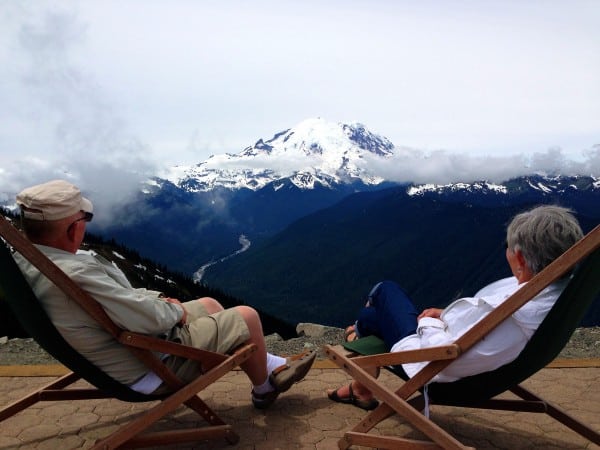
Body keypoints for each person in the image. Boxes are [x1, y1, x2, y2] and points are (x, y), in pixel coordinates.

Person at [13, 179, 315, 409]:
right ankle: (264, 389)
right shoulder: (76, 273)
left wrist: (159, 302)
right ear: (72, 229)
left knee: (210, 303)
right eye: (84, 221)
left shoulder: (31, 262)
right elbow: (145, 320)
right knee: (247, 317)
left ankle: (271, 364)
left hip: (124, 351)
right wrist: (174, 311)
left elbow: (119, 303)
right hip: (147, 366)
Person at [327, 205, 583, 410]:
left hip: (430, 363)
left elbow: (446, 356)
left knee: (384, 291)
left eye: (507, 247)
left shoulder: (516, 312)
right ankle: (360, 353)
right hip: (457, 355)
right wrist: (445, 314)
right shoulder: (554, 296)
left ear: (520, 258)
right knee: (375, 316)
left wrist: (430, 323)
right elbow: (477, 329)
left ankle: (358, 334)